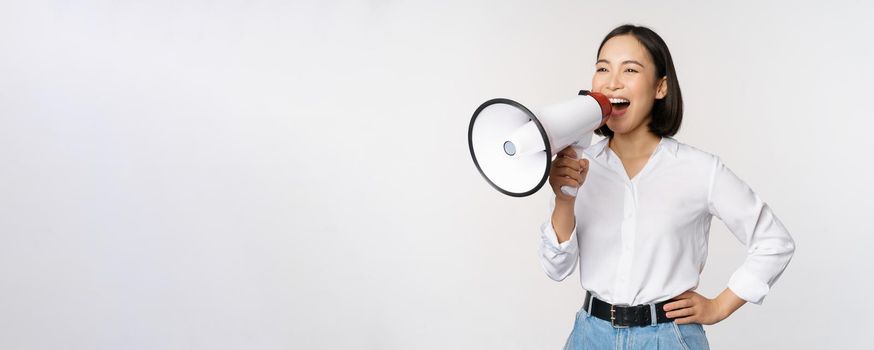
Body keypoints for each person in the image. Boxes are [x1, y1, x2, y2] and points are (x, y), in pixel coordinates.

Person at [540, 24, 795, 350]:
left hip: (668, 339)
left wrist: (719, 306)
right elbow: (556, 269)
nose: (612, 81)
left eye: (630, 69)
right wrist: (565, 198)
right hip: (590, 336)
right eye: (602, 68)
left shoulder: (700, 170)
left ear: (661, 87)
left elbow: (774, 241)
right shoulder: (578, 164)